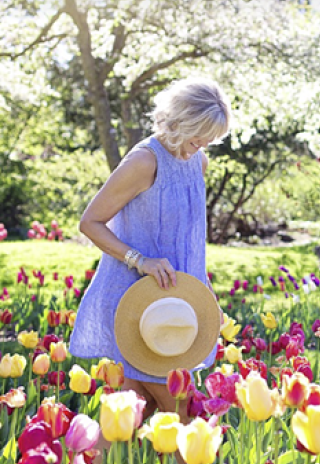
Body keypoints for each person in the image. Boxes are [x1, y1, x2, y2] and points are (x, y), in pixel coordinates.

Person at [71, 77, 231, 426]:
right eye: (198, 137)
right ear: (180, 122)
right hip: (141, 305)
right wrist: (139, 261)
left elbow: (189, 241)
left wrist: (205, 295)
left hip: (177, 304)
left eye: (210, 140)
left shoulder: (197, 162)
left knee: (127, 416)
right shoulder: (144, 162)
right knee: (183, 414)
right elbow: (91, 222)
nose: (203, 146)